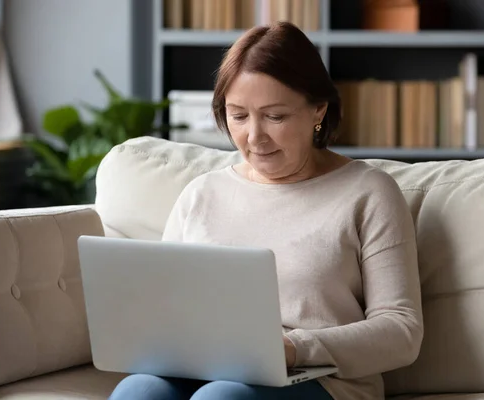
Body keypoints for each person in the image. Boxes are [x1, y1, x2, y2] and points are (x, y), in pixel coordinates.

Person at [109, 21, 423, 400]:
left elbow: (402, 330)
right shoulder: (201, 194)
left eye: (275, 116)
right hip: (205, 368)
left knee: (222, 398)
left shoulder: (369, 192)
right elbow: (164, 310)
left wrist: (293, 349)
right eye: (238, 116)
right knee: (138, 390)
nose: (254, 137)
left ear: (318, 111)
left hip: (321, 380)